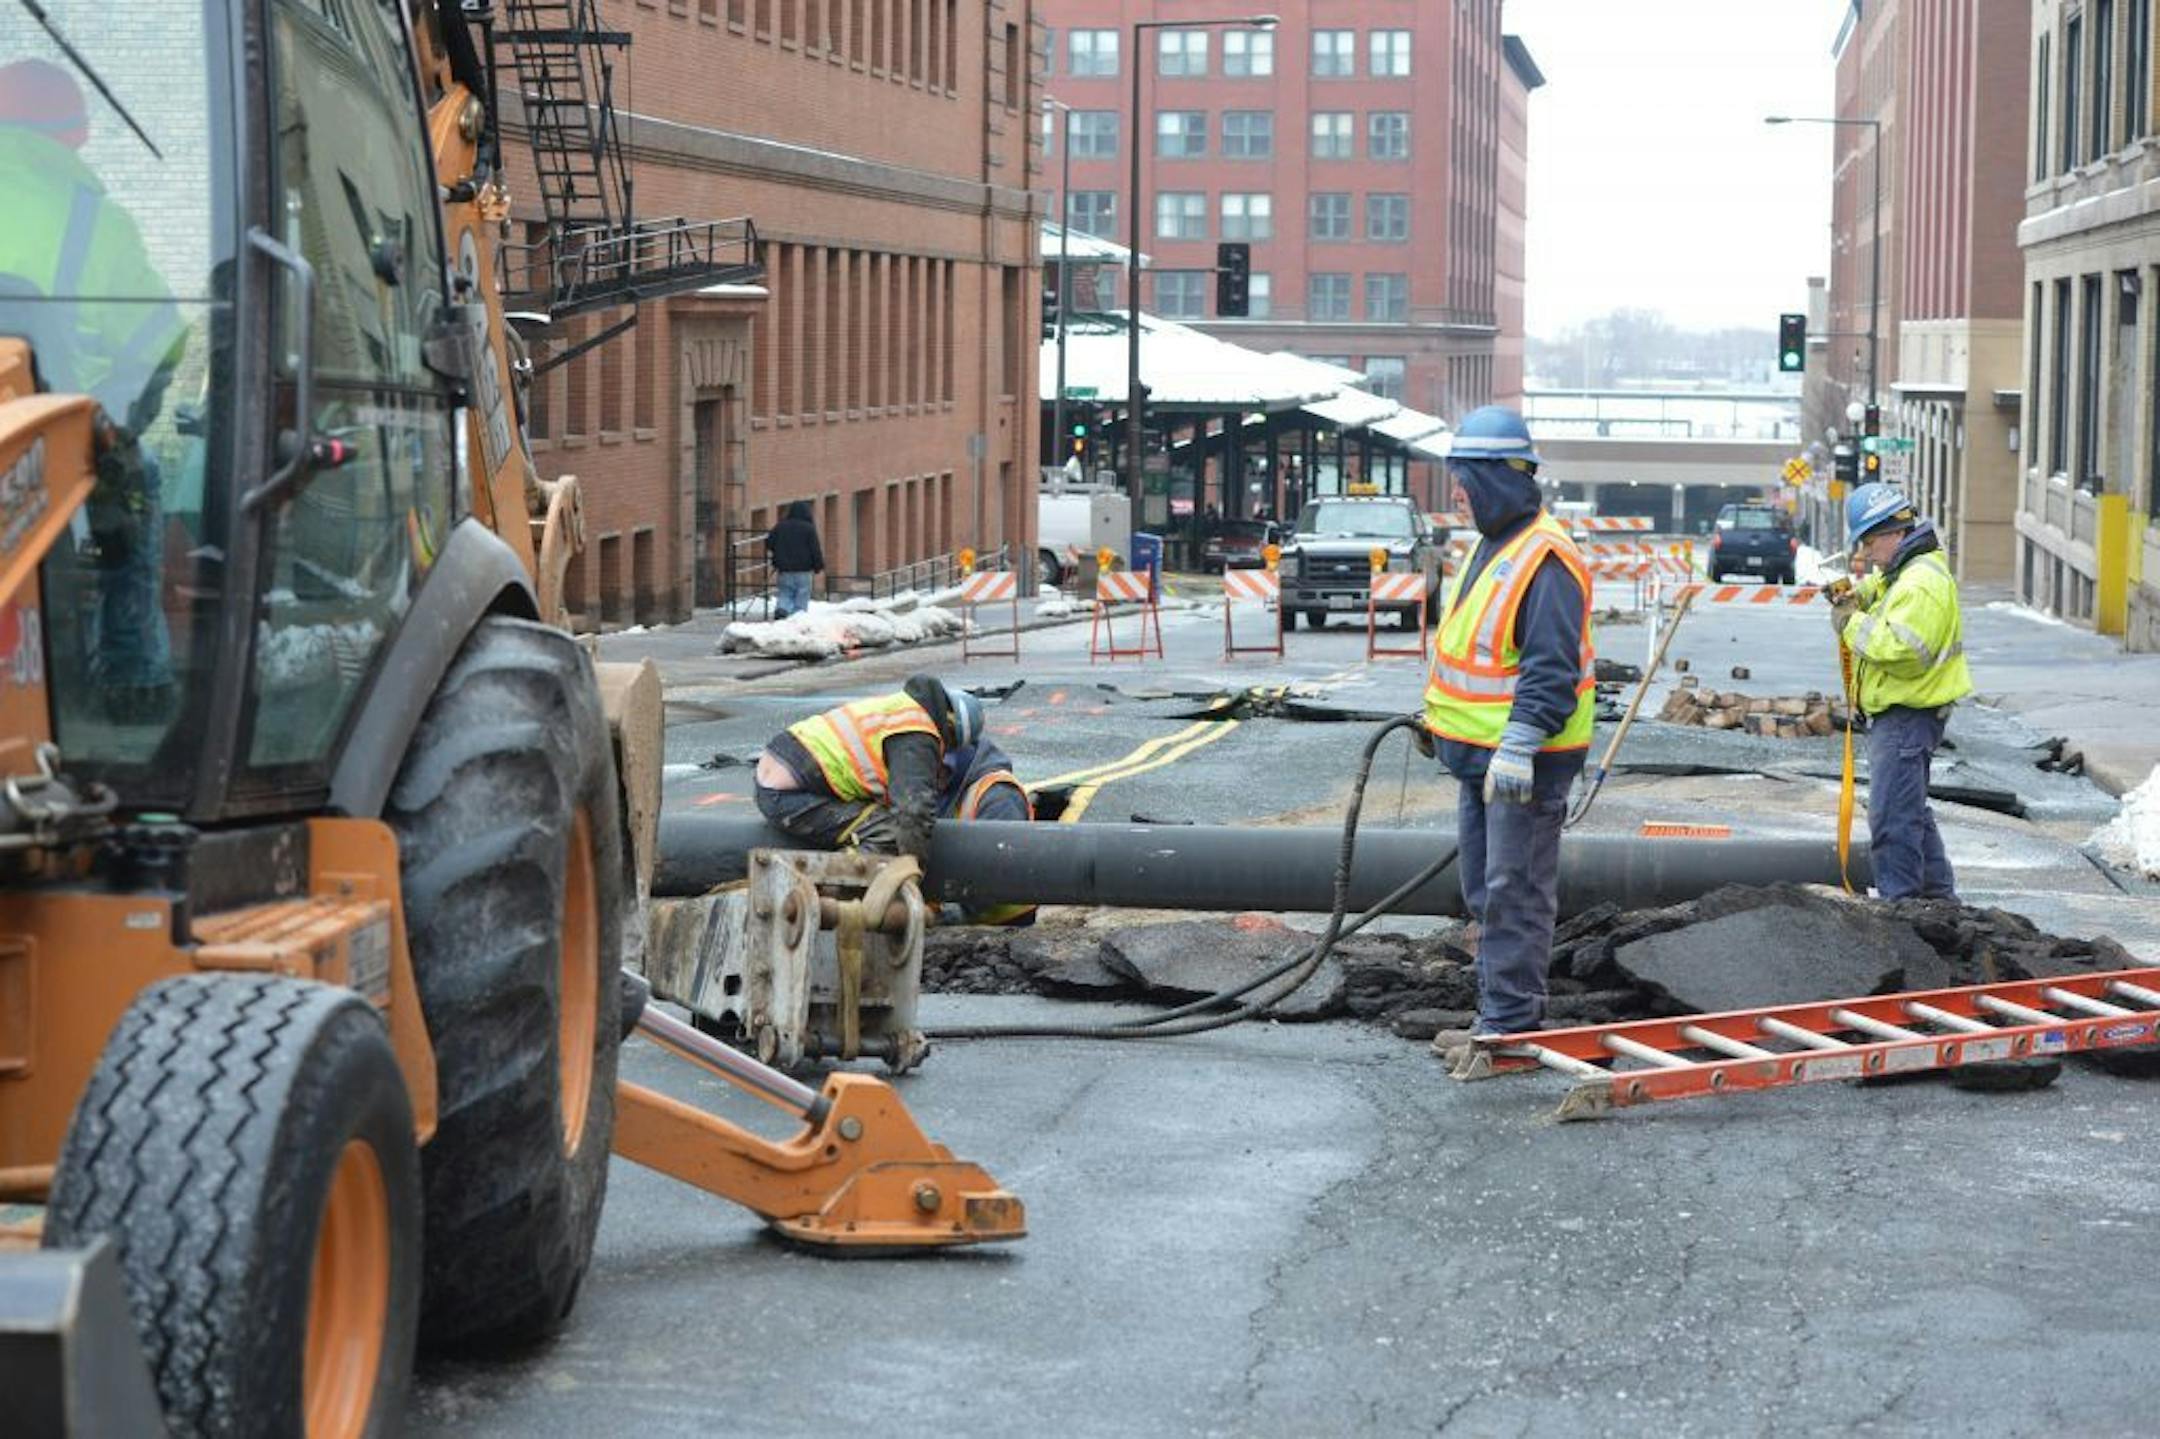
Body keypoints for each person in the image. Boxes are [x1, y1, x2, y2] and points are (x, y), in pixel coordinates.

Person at [0, 58, 186, 721]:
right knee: (138, 486)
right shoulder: (95, 225)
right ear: (73, 138)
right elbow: (163, 340)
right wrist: (114, 425)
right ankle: (132, 680)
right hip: (46, 446)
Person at [1419, 407, 1596, 1068]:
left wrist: (1520, 742)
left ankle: (1511, 1029)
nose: (1457, 493)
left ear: (1496, 478)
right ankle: (1495, 1015)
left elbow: (1549, 670)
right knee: (1485, 893)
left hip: (1524, 764)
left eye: (1464, 479)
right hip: (1482, 761)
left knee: (1514, 892)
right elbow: (1474, 653)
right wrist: (1440, 725)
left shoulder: (1544, 558)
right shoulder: (1494, 544)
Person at [1831, 483, 1973, 901]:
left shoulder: (1921, 584)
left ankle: (1903, 910)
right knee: (1911, 812)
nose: (1866, 553)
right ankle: (1937, 904)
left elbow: (1900, 649)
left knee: (1892, 817)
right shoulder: (1906, 574)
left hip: (1907, 716)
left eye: (1870, 542)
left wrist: (1850, 623)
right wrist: (1856, 597)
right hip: (1906, 716)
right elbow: (1885, 589)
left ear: (1894, 532)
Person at [752, 674, 984, 863]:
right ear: (951, 728)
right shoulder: (918, 732)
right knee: (888, 832)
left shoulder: (902, 708)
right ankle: (828, 887)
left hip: (784, 773)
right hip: (787, 793)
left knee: (874, 817)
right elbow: (913, 811)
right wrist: (912, 867)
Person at [936, 737, 1037, 926]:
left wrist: (939, 913)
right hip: (966, 918)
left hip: (1005, 929)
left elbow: (995, 879)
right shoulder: (945, 785)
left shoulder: (998, 796)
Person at [765, 500, 824, 620]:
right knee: (802, 595)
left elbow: (769, 543)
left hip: (784, 569)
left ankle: (782, 609)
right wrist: (818, 566)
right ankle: (798, 619)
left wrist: (779, 553)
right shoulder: (808, 528)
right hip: (804, 569)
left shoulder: (780, 526)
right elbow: (815, 549)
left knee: (785, 592)